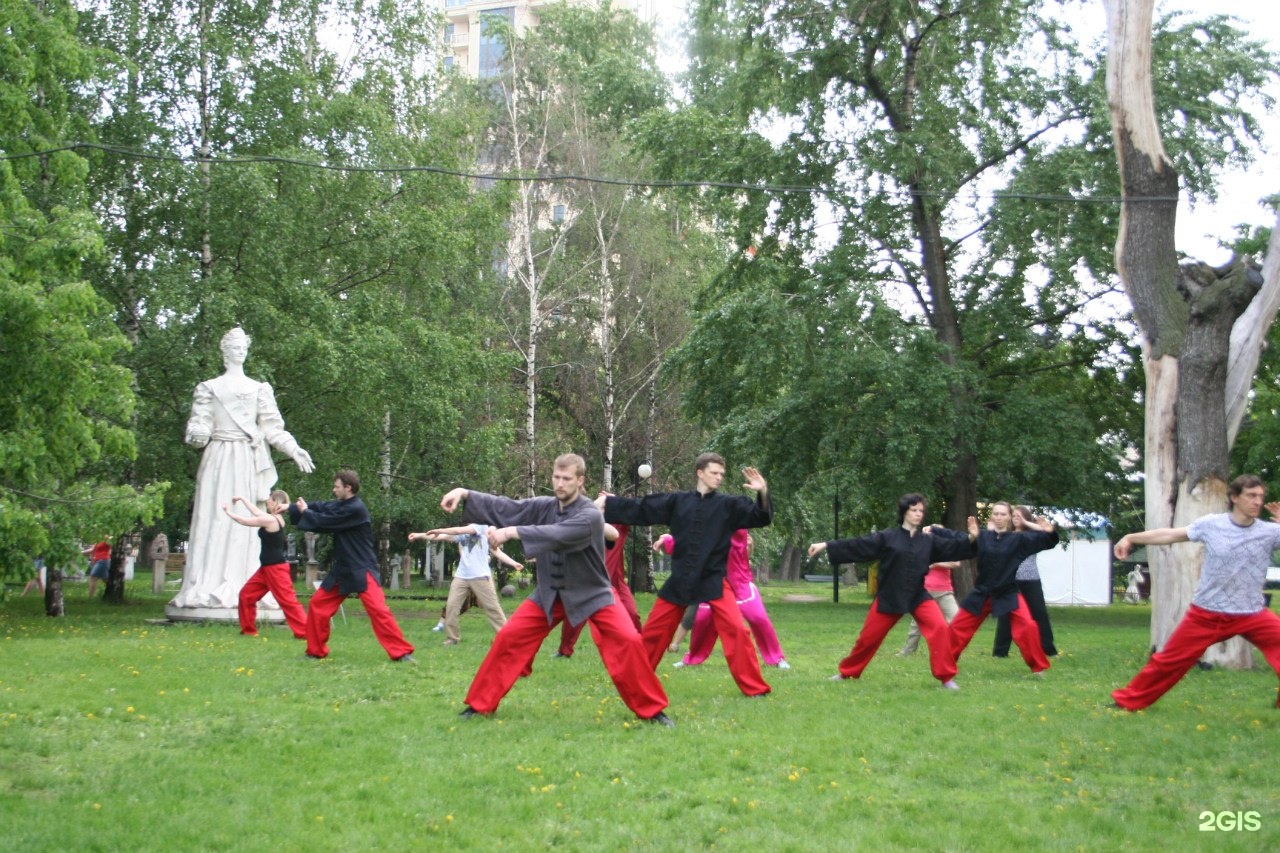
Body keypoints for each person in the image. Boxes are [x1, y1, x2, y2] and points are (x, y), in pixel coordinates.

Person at [443, 454, 671, 725]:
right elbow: (507, 507)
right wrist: (465, 493)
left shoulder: (590, 515)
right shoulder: (544, 506)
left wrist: (512, 532)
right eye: (556, 477)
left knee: (628, 640)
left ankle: (652, 710)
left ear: (580, 481)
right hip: (550, 593)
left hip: (593, 593)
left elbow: (560, 533)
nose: (560, 484)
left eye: (567, 478)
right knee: (509, 637)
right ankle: (480, 705)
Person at [599, 453, 773, 698]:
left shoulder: (729, 505)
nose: (719, 478)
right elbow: (643, 508)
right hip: (680, 581)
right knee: (653, 634)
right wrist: (612, 503)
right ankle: (633, 683)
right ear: (700, 473)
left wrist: (762, 492)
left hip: (713, 580)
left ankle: (755, 689)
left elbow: (760, 516)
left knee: (737, 630)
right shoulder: (678, 501)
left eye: (721, 474)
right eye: (714, 473)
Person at [171, 327, 314, 618]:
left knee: (247, 523)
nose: (240, 351)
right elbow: (199, 425)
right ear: (224, 351)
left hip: (247, 461)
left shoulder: (259, 388)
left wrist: (294, 449)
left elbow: (273, 428)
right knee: (215, 517)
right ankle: (208, 585)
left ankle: (246, 584)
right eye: (234, 347)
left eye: (243, 347)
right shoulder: (209, 388)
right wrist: (197, 433)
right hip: (219, 458)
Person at [1111, 474, 1280, 711]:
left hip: (1251, 613)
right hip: (1207, 614)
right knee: (1167, 662)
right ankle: (1127, 702)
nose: (1258, 501)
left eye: (1261, 496)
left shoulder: (1270, 532)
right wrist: (1131, 537)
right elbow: (1170, 534)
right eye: (1251, 495)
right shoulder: (1212, 525)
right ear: (1234, 497)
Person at [808, 494, 977, 689]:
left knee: (939, 628)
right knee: (868, 639)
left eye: (921, 511)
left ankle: (946, 678)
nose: (918, 514)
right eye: (914, 510)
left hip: (917, 595)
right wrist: (826, 545)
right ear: (905, 512)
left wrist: (972, 537)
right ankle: (847, 672)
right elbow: (859, 544)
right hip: (890, 595)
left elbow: (953, 547)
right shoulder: (888, 537)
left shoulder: (928, 541)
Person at [290, 470, 415, 662]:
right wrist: (290, 507)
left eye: (337, 487)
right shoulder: (343, 504)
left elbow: (325, 521)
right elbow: (323, 506)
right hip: (343, 569)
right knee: (318, 605)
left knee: (378, 610)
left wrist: (305, 511)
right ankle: (315, 651)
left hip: (362, 568)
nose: (334, 490)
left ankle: (401, 652)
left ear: (348, 487)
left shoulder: (356, 508)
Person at [948, 502, 1057, 674]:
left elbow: (1046, 541)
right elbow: (960, 547)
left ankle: (1038, 667)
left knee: (1028, 626)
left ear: (1009, 517)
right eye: (996, 514)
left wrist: (1049, 533)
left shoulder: (1018, 539)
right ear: (992, 516)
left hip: (1007, 592)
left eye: (1003, 514)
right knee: (957, 627)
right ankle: (944, 664)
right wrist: (972, 537)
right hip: (982, 592)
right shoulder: (982, 536)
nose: (999, 517)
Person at [660, 530, 791, 670]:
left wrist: (748, 545)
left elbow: (741, 546)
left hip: (741, 585)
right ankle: (692, 658)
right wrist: (668, 540)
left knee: (759, 618)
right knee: (702, 619)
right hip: (714, 586)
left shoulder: (735, 526)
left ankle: (777, 658)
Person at [409, 524, 522, 646]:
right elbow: (443, 536)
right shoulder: (464, 534)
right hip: (461, 576)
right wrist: (419, 535)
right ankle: (452, 638)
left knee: (493, 608)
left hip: (481, 577)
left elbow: (496, 551)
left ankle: (507, 639)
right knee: (451, 607)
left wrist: (513, 563)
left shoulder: (481, 527)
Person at [223, 491, 308, 639]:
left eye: (270, 499)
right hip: (266, 569)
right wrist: (242, 498)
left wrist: (228, 512)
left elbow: (244, 521)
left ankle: (306, 632)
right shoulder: (276, 518)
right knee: (246, 596)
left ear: (276, 502)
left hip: (276, 569)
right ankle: (248, 631)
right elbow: (256, 512)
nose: (267, 501)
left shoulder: (271, 520)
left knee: (288, 601)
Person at [555, 523, 643, 658]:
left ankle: (642, 645)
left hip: (616, 581)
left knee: (631, 613)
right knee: (577, 613)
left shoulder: (619, 524)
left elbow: (639, 514)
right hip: (593, 579)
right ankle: (564, 650)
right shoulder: (589, 523)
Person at [992, 506, 1059, 657]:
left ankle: (1048, 649)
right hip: (1010, 581)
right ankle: (1000, 652)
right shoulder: (1007, 536)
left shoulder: (1031, 537)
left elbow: (1046, 534)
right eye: (1014, 516)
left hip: (1031, 580)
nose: (1016, 518)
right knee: (1006, 616)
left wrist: (1027, 523)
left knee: (1039, 614)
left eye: (1019, 516)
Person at [898, 561, 960, 657]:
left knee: (956, 620)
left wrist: (936, 564)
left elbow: (956, 563)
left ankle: (953, 650)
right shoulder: (924, 551)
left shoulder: (946, 552)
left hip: (945, 593)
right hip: (924, 592)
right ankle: (907, 651)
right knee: (916, 624)